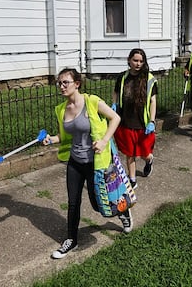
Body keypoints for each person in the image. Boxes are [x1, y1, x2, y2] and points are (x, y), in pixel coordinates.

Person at [42, 68, 127, 259]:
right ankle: (71, 240)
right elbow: (64, 136)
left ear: (77, 84)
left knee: (98, 204)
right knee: (73, 202)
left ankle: (123, 212)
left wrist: (104, 140)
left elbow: (116, 118)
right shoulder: (62, 109)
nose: (61, 86)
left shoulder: (92, 102)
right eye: (59, 83)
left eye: (65, 82)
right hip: (75, 161)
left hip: (95, 163)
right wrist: (51, 139)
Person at [112, 49, 157, 189]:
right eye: (135, 60)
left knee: (144, 153)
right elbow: (116, 92)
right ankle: (132, 179)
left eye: (141, 61)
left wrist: (152, 121)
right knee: (129, 153)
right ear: (129, 60)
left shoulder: (149, 79)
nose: (138, 64)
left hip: (142, 123)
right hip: (126, 121)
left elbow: (153, 101)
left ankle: (149, 161)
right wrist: (114, 105)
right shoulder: (122, 77)